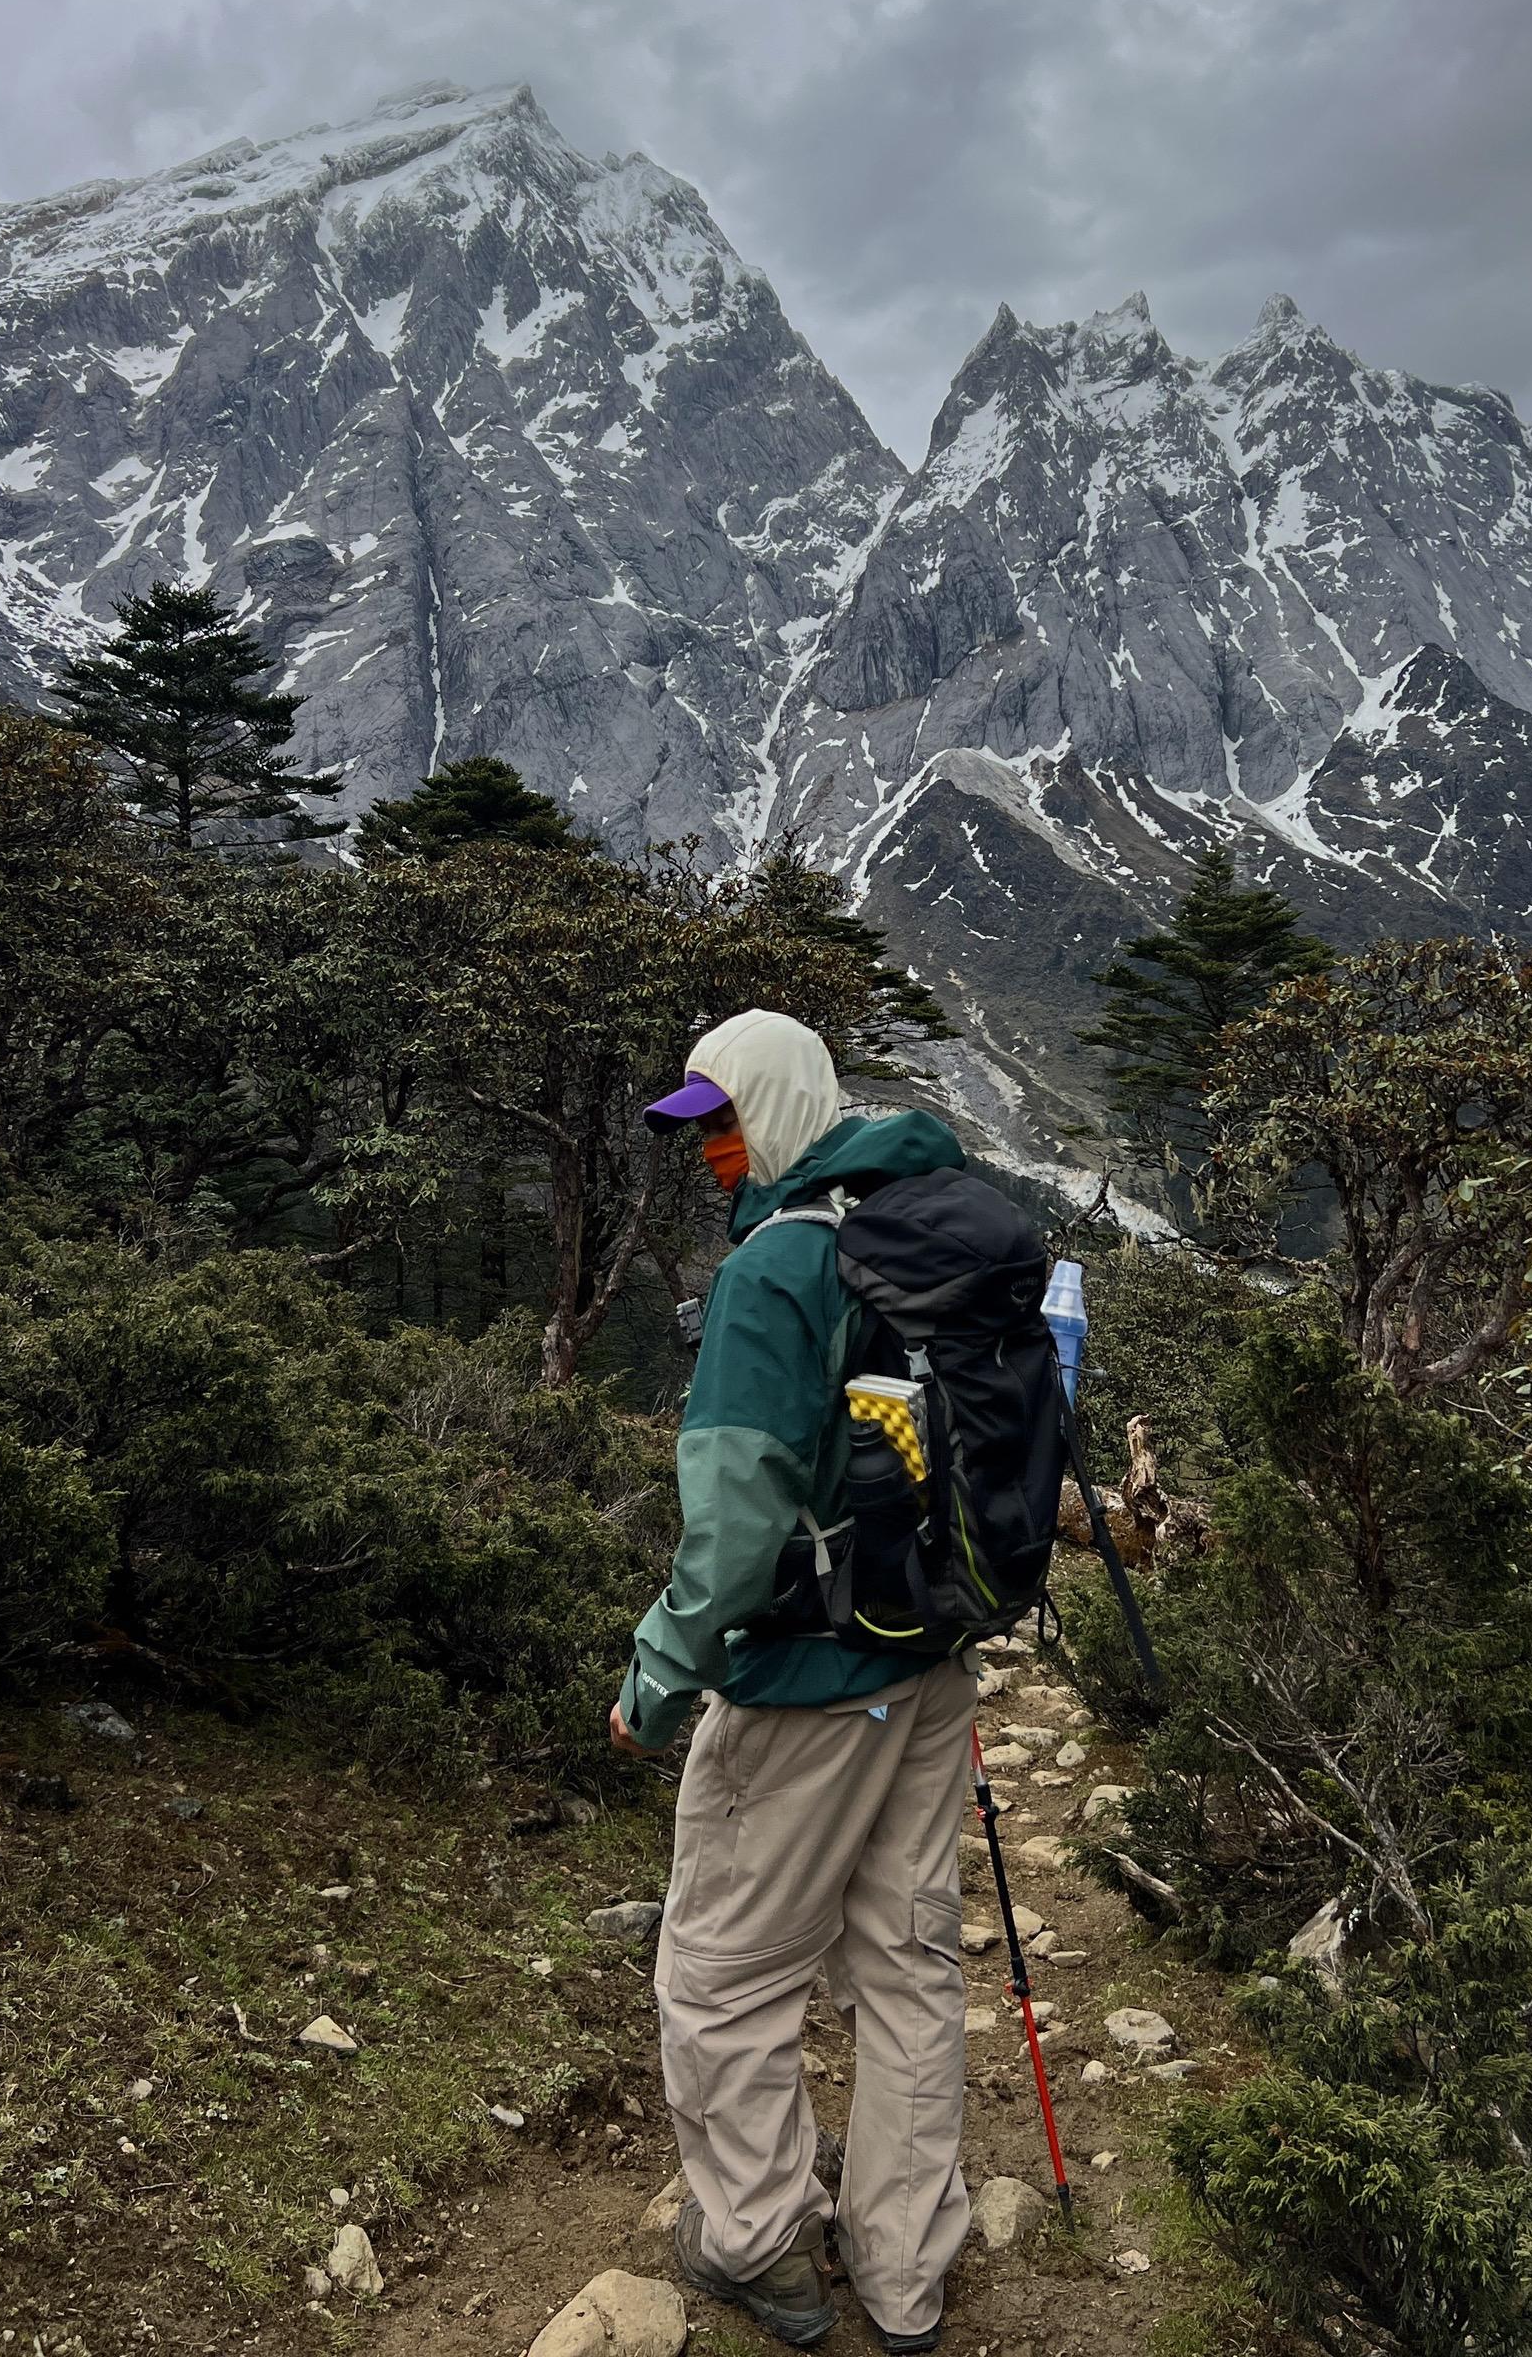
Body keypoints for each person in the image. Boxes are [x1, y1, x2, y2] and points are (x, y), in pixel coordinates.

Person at [610, 1007, 977, 2354]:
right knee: (908, 1963)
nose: (708, 1149)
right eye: (693, 1130)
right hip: (931, 1664)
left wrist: (657, 1683)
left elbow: (736, 1528)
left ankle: (759, 2243)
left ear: (774, 1103)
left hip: (812, 1680)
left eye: (719, 1119)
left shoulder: (778, 1271)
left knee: (720, 1975)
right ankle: (906, 2267)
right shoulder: (928, 1227)